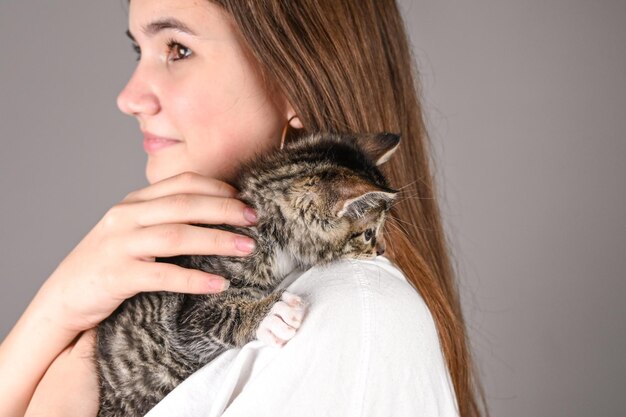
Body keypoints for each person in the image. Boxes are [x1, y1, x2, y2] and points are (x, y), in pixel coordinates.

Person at [0, 0, 488, 416]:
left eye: (178, 49)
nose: (129, 98)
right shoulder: (193, 273)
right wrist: (54, 312)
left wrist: (57, 395)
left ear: (295, 82)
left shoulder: (352, 317)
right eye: (138, 50)